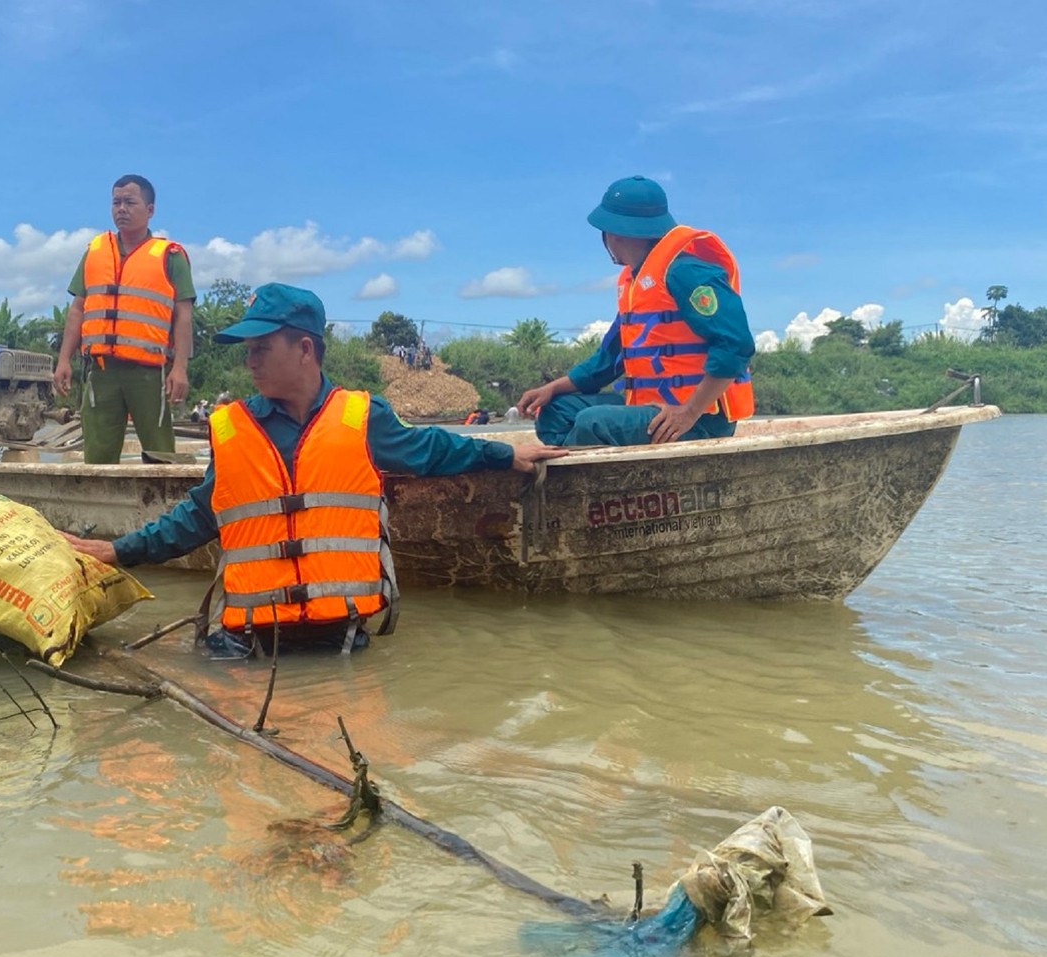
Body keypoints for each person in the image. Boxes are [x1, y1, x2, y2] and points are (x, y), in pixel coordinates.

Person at [63, 283, 566, 655]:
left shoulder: (364, 418)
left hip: (341, 637)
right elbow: (198, 515)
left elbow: (430, 449)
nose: (250, 362)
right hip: (245, 643)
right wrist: (116, 550)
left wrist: (506, 454)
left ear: (304, 349)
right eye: (249, 351)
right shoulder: (233, 428)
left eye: (261, 348)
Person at [518, 176, 755, 447]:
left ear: (614, 233)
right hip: (652, 409)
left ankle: (567, 480)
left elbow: (736, 344)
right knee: (556, 411)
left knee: (592, 422)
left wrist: (688, 412)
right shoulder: (637, 283)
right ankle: (581, 473)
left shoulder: (686, 271)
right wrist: (550, 390)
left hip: (699, 419)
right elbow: (607, 360)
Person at [53, 174, 196, 463]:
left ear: (150, 210)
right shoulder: (94, 251)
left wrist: (179, 368)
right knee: (98, 456)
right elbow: (78, 309)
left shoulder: (171, 256)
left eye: (130, 202)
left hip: (148, 372)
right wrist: (64, 359)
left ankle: (162, 505)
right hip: (101, 371)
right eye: (116, 202)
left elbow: (183, 316)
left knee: (160, 454)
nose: (122, 209)